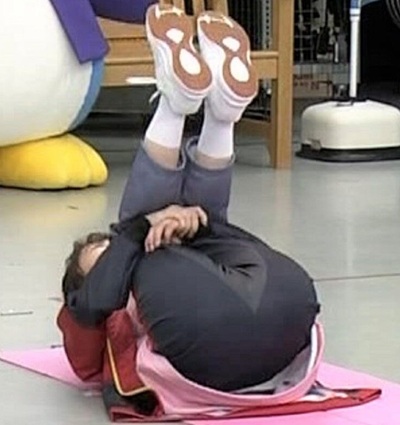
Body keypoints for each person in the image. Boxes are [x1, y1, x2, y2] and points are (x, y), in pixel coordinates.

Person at [58, 4, 321, 417]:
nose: (116, 253)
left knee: (185, 225)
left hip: (281, 311)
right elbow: (90, 321)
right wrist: (145, 230)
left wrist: (186, 223)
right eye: (101, 257)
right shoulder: (98, 299)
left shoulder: (173, 274)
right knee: (145, 228)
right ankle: (213, 116)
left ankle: (194, 108)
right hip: (280, 320)